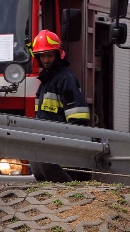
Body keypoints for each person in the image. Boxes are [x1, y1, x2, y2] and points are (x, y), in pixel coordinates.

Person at [29, 29, 90, 182]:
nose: (46, 60)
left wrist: (69, 149)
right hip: (47, 149)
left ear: (58, 54)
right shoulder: (45, 82)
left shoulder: (65, 79)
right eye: (42, 56)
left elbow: (79, 118)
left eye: (49, 55)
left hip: (62, 154)